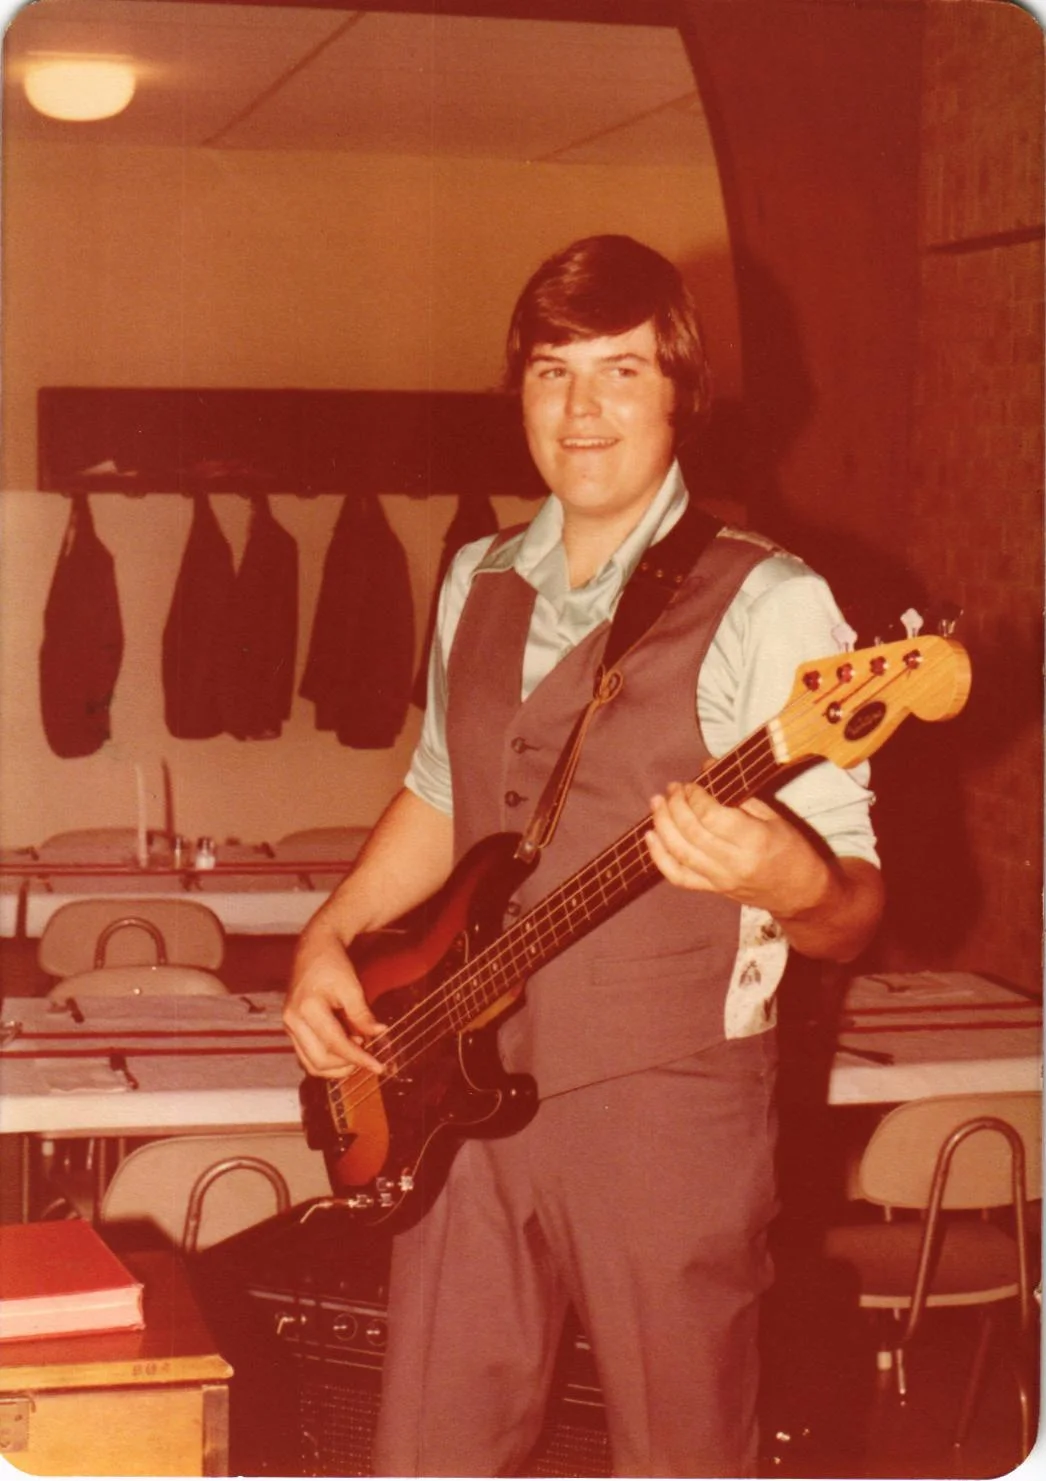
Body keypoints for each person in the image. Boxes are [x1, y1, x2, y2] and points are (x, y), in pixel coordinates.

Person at [283, 234, 884, 1478]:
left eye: (620, 370)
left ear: (679, 394)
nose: (580, 408)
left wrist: (787, 881)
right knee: (427, 1450)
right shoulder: (476, 575)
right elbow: (441, 792)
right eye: (552, 372)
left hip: (664, 1103)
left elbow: (852, 908)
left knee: (679, 1451)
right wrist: (325, 937)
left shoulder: (770, 599)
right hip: (455, 1084)